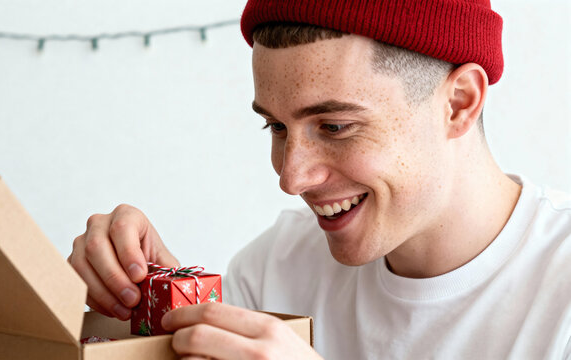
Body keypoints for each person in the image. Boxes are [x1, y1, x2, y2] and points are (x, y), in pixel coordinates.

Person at [68, 0, 571, 358]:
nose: (292, 177)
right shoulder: (273, 273)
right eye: (277, 127)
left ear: (458, 102)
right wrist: (128, 310)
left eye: (335, 127)